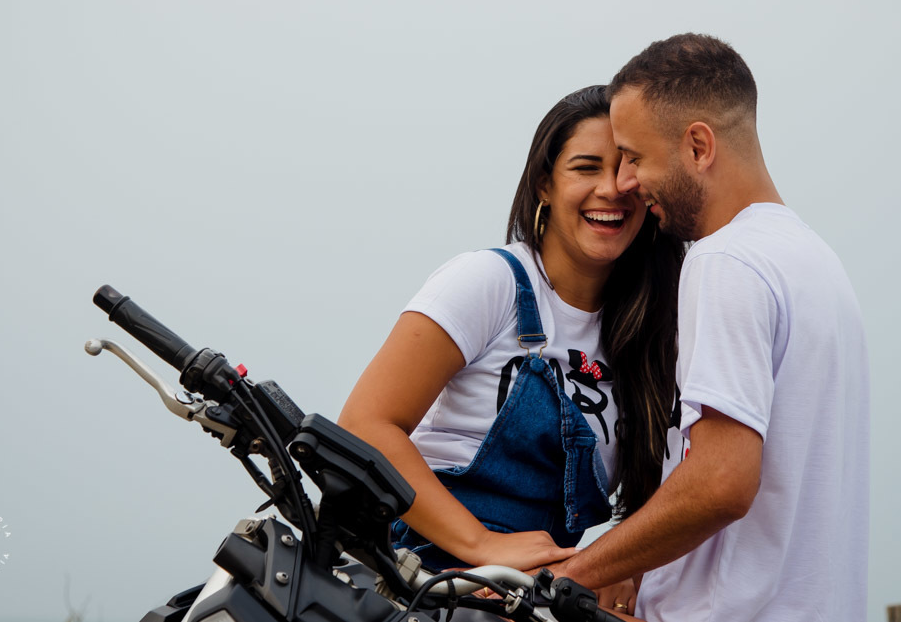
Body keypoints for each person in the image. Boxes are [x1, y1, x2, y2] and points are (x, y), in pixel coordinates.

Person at [550, 34, 870, 621]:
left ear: (698, 145)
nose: (624, 183)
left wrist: (571, 574)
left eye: (635, 157)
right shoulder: (817, 263)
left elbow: (722, 482)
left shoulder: (724, 262)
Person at [338, 85, 682, 585]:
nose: (611, 188)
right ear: (544, 184)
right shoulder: (490, 282)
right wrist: (483, 545)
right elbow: (364, 426)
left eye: (626, 169)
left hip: (529, 595)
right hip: (417, 579)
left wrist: (618, 573)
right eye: (586, 168)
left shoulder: (647, 336)